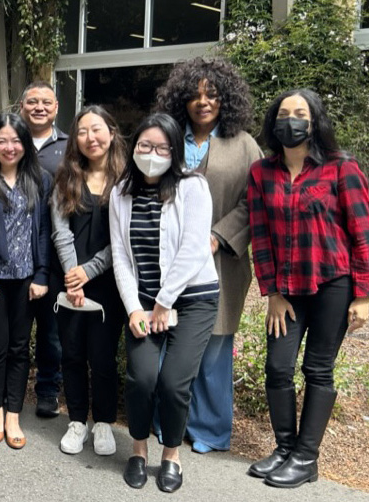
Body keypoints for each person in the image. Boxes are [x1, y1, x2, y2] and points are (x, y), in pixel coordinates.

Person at [246, 89, 369, 488]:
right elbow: (261, 236)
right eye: (283, 113)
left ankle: (306, 458)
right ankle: (285, 448)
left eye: (299, 113)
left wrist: (363, 295)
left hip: (333, 284)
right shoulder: (261, 173)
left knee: (318, 369)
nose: (291, 120)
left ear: (315, 119)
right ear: (273, 122)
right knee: (277, 367)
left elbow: (364, 233)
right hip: (287, 290)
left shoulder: (341, 168)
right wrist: (272, 293)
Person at [153, 57, 264, 453]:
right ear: (181, 99)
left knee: (214, 348)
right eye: (194, 95)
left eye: (212, 94)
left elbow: (256, 201)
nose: (203, 102)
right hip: (166, 258)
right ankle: (165, 422)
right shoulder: (166, 138)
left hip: (220, 260)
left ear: (225, 99)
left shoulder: (245, 144)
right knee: (166, 339)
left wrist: (217, 236)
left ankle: (209, 430)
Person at [109, 113, 219, 493]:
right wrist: (135, 308)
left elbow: (192, 249)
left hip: (192, 299)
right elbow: (121, 257)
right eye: (145, 146)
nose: (152, 154)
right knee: (141, 378)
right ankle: (138, 451)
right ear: (133, 146)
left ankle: (170, 455)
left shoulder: (193, 187)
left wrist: (164, 301)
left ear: (175, 151)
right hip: (142, 300)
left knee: (174, 383)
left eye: (162, 148)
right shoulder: (120, 193)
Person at [51, 106, 128, 456]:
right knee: (72, 353)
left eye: (97, 130)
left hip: (111, 284)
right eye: (82, 131)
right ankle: (78, 420)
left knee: (103, 357)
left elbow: (125, 237)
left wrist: (89, 271)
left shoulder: (127, 180)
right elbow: (60, 231)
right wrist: (73, 277)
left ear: (111, 132)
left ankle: (104, 423)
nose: (90, 138)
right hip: (69, 282)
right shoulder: (66, 176)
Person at [0, 113, 50, 450]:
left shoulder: (39, 179)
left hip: (26, 280)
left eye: (16, 140)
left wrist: (41, 274)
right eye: (2, 140)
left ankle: (13, 415)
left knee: (20, 347)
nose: (10, 147)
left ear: (26, 144)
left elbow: (46, 230)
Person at [17, 81, 69, 418]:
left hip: (54, 252)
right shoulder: (8, 139)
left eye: (45, 102)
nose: (39, 107)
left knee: (51, 334)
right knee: (14, 330)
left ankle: (49, 390)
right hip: (13, 253)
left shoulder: (69, 147)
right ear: (21, 106)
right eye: (32, 101)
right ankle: (8, 389)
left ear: (56, 108)